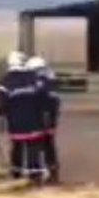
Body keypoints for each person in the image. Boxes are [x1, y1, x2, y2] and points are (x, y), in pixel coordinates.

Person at [0, 50, 51, 183]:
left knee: (17, 147)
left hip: (15, 123)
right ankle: (35, 175)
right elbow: (44, 99)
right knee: (33, 147)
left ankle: (17, 173)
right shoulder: (34, 79)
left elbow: (1, 106)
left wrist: (0, 122)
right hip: (34, 121)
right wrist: (46, 118)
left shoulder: (4, 83)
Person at [25, 55, 61, 183]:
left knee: (34, 145)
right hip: (51, 118)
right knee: (49, 145)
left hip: (39, 119)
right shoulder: (51, 80)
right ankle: (53, 172)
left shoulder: (39, 82)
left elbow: (37, 100)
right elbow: (55, 102)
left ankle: (35, 175)